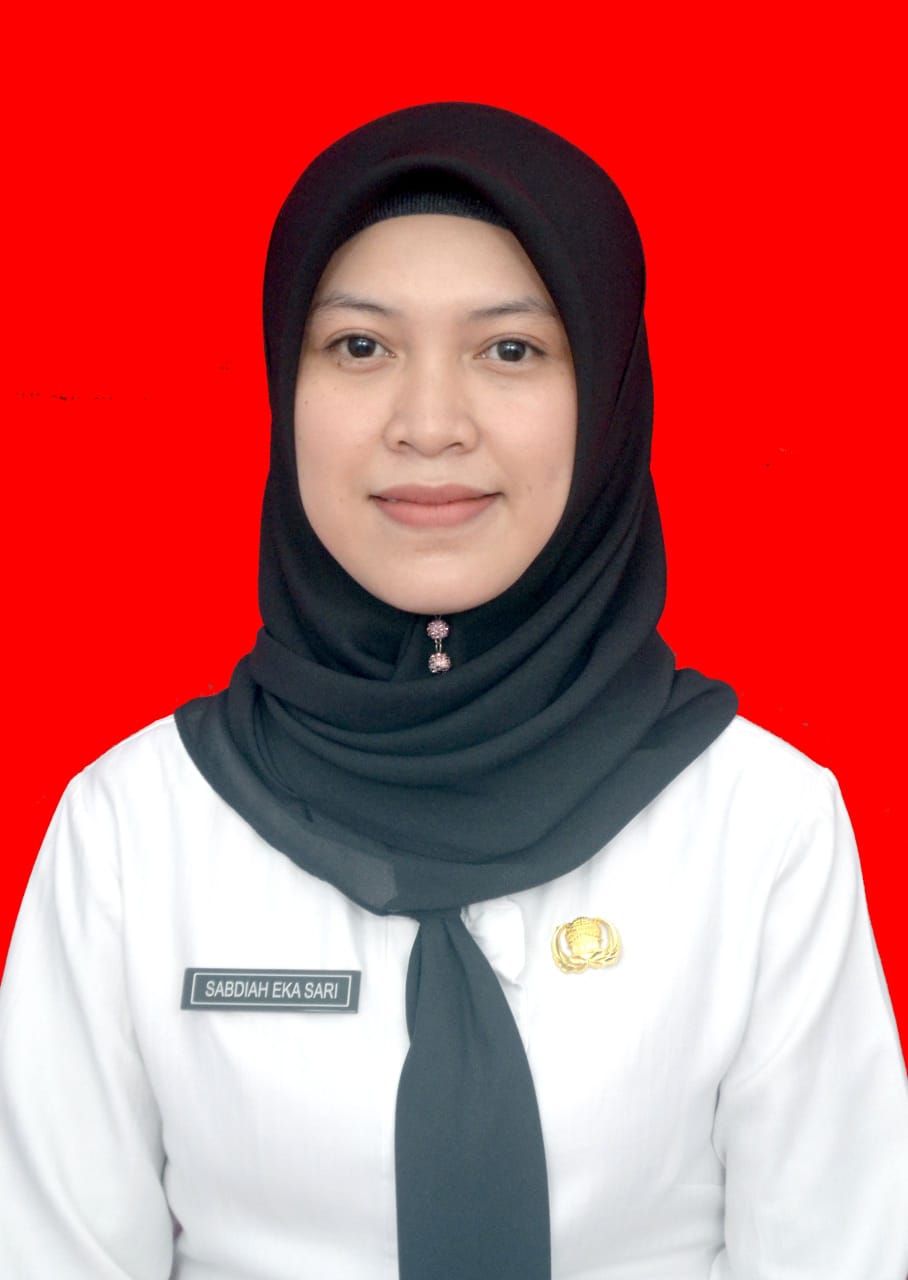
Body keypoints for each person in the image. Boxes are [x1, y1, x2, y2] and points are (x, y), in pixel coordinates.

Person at [1, 102, 906, 1280]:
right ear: (283, 386)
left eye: (510, 350)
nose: (428, 425)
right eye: (359, 347)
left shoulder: (759, 823)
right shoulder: (132, 831)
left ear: (607, 396)